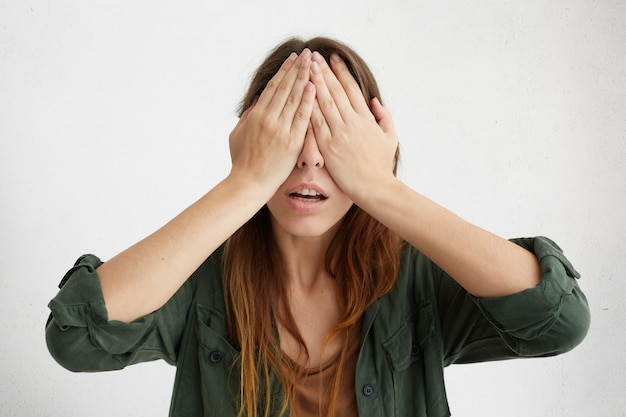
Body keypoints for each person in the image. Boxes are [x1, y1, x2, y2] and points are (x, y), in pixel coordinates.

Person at [45, 36, 590, 417]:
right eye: (290, 130)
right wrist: (243, 184)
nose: (308, 159)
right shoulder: (199, 279)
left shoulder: (417, 277)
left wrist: (380, 188)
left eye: (333, 131)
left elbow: (559, 320)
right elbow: (75, 336)